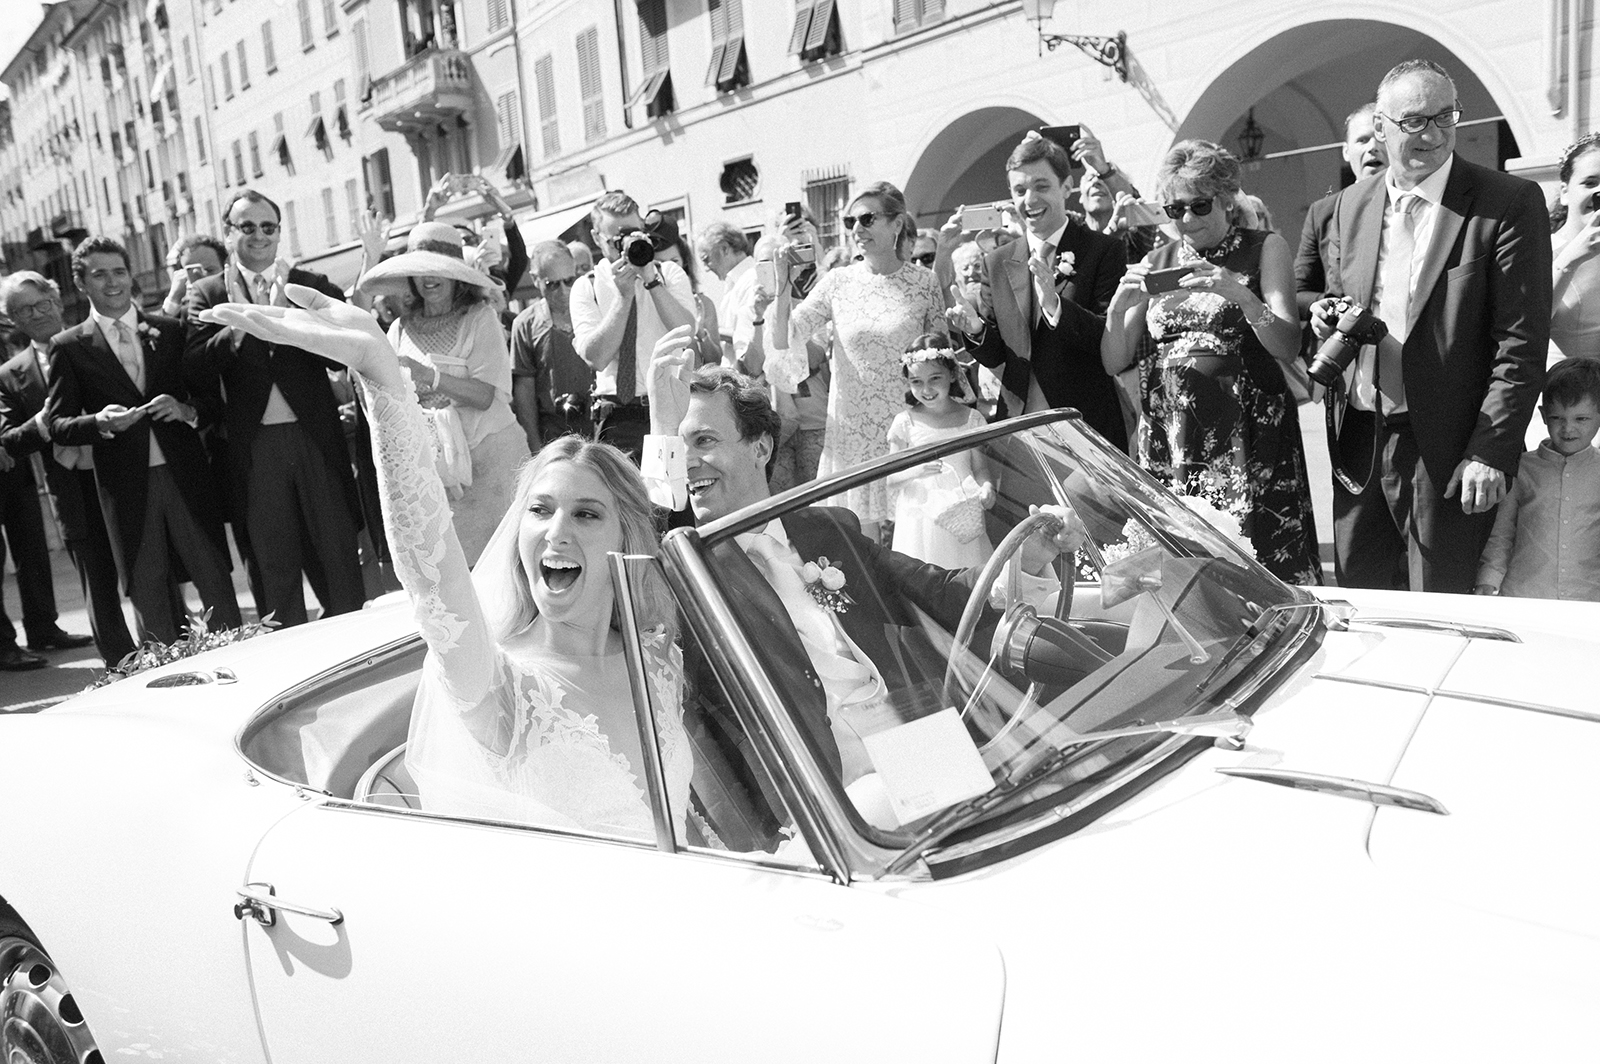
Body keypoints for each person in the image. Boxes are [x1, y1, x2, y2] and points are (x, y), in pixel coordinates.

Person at [198, 285, 692, 840]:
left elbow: (654, 516)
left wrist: (664, 420)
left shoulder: (655, 653)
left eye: (585, 514)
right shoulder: (502, 686)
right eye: (540, 510)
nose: (556, 532)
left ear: (623, 539)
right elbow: (430, 570)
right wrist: (382, 378)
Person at [642, 348, 1080, 825]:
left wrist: (1028, 557)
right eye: (677, 448)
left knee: (1036, 809)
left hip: (916, 741)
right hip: (821, 793)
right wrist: (660, 431)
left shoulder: (829, 529)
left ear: (761, 448)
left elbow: (942, 592)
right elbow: (640, 552)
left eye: (703, 440)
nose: (688, 462)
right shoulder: (685, 572)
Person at [1311, 59, 1552, 593]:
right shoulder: (1350, 205)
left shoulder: (1505, 202)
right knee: (1362, 602)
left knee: (1444, 607)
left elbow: (1520, 343)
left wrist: (1490, 451)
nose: (1435, 134)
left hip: (1450, 449)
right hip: (1360, 439)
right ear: (1380, 128)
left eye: (1446, 117)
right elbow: (1346, 297)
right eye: (1415, 121)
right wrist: (1327, 315)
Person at [1103, 140, 1321, 585]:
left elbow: (1288, 345)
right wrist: (1116, 309)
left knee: (1262, 556)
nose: (1186, 219)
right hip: (1173, 434)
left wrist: (1241, 296)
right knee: (1186, 562)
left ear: (1226, 200)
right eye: (1174, 209)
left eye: (1199, 206)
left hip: (1248, 431)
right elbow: (1114, 360)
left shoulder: (1264, 247)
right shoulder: (1156, 261)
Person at [45, 237, 241, 645]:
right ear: (81, 283)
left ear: (130, 276)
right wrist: (98, 422)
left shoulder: (170, 331)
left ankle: (240, 656)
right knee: (149, 590)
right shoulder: (68, 347)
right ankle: (163, 671)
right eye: (99, 275)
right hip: (126, 487)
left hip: (186, 476)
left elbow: (211, 401)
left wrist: (185, 410)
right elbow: (59, 424)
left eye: (119, 272)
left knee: (214, 579)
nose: (112, 282)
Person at [185, 188, 366, 627]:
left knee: (337, 551)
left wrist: (297, 319)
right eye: (247, 226)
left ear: (280, 233)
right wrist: (242, 323)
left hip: (314, 437)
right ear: (228, 233)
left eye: (268, 227)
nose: (259, 236)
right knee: (273, 561)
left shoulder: (309, 284)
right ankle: (287, 646)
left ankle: (354, 640)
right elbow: (193, 368)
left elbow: (344, 351)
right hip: (254, 445)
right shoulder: (208, 293)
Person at [762, 181, 945, 531]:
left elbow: (940, 357)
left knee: (915, 539)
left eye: (867, 219)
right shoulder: (838, 282)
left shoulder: (925, 282)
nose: (857, 229)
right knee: (862, 545)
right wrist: (783, 285)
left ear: (897, 223)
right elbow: (785, 338)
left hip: (908, 429)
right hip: (852, 437)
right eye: (850, 222)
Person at [357, 221, 531, 566]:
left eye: (438, 269)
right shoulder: (398, 329)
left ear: (456, 276)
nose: (429, 278)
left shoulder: (480, 318)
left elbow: (484, 395)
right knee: (454, 574)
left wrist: (429, 376)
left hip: (494, 464)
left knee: (508, 569)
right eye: (420, 270)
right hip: (436, 473)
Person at [947, 131, 1130, 452]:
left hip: (1086, 424)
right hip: (1020, 431)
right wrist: (975, 330)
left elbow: (1107, 339)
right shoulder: (996, 261)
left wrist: (1055, 306)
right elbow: (997, 355)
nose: (1029, 200)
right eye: (1019, 190)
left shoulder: (1103, 251)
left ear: (1066, 187)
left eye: (1041, 186)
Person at [0, 272, 125, 666]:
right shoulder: (10, 375)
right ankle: (122, 664)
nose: (37, 314)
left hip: (122, 473)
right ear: (13, 320)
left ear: (58, 303)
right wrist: (43, 422)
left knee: (147, 572)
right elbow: (10, 440)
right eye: (25, 310)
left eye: (43, 304)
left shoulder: (98, 340)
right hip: (70, 486)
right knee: (97, 584)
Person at [570, 191, 696, 462]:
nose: (626, 245)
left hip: (671, 405)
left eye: (634, 234)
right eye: (617, 239)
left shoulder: (668, 273)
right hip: (619, 415)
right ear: (596, 238)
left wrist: (651, 280)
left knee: (676, 487)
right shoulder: (587, 286)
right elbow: (596, 357)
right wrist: (622, 298)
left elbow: (686, 332)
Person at [1475, 357, 1600, 599]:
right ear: (1543, 415)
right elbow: (1502, 532)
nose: (1568, 429)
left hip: (1588, 600)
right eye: (1557, 418)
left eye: (1581, 419)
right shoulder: (1521, 468)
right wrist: (1489, 578)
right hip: (1526, 595)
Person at [887, 336, 994, 568]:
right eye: (916, 381)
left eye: (935, 378)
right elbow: (891, 480)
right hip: (920, 517)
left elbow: (980, 468)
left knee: (964, 571)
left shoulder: (972, 419)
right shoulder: (905, 422)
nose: (926, 389)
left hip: (962, 512)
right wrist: (916, 471)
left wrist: (986, 487)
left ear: (952, 375)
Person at [1295, 103, 1389, 317]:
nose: (1372, 147)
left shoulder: (1415, 203)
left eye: (1381, 138)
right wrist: (1332, 306)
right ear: (1346, 151)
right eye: (1362, 140)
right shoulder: (1322, 212)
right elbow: (1299, 291)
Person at [510, 240, 594, 449]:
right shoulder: (526, 324)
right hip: (555, 434)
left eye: (569, 281)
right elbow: (524, 394)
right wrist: (535, 446)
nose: (563, 290)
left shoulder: (595, 310)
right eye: (552, 284)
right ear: (535, 279)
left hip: (600, 425)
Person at [1548, 132, 1600, 362]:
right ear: (1565, 192)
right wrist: (1571, 259)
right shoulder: (1540, 249)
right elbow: (1526, 324)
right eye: (1590, 183)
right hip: (1563, 381)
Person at [696, 221, 757, 367]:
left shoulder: (751, 280)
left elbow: (752, 335)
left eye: (706, 259)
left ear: (724, 249)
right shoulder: (735, 282)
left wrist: (712, 331)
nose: (706, 268)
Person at [159, 235, 228, 321]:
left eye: (209, 270)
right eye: (190, 271)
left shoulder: (237, 298)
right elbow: (166, 327)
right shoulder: (184, 312)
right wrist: (173, 298)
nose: (201, 278)